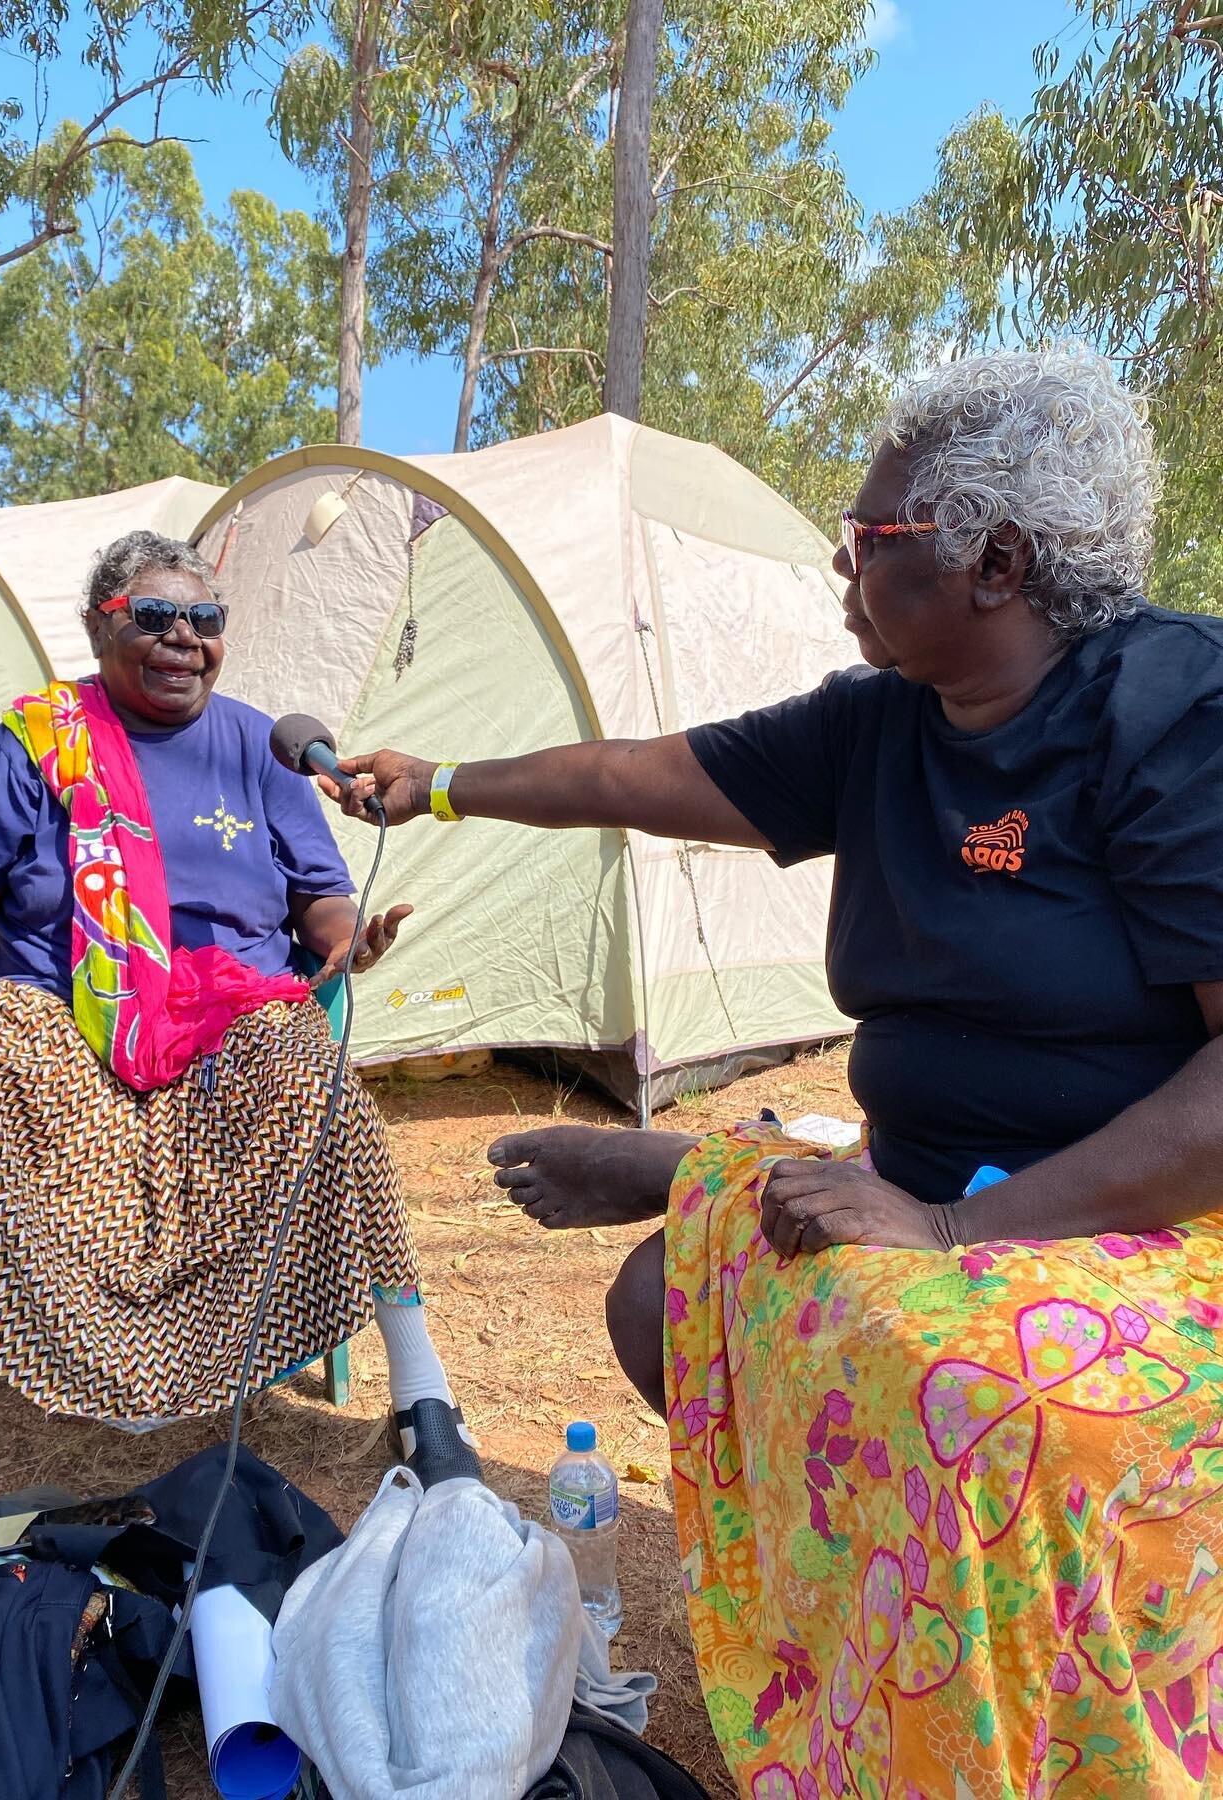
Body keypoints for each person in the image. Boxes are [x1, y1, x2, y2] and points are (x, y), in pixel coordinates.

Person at [321, 349, 1223, 1796]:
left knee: (970, 1411)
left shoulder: (1173, 713)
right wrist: (438, 783)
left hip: (1131, 1230)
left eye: (868, 541)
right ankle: (859, 1619)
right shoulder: (878, 726)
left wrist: (952, 1231)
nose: (839, 570)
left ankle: (1006, 1725)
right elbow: (639, 777)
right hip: (927, 1191)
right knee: (662, 1303)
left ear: (993, 558)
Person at [0, 529, 479, 1587]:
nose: (182, 639)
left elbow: (319, 901)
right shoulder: (37, 742)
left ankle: (423, 1396)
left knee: (317, 1073)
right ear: (98, 626)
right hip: (59, 1028)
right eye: (152, 618)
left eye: (203, 620)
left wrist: (353, 941)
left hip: (230, 1024)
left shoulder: (264, 749)